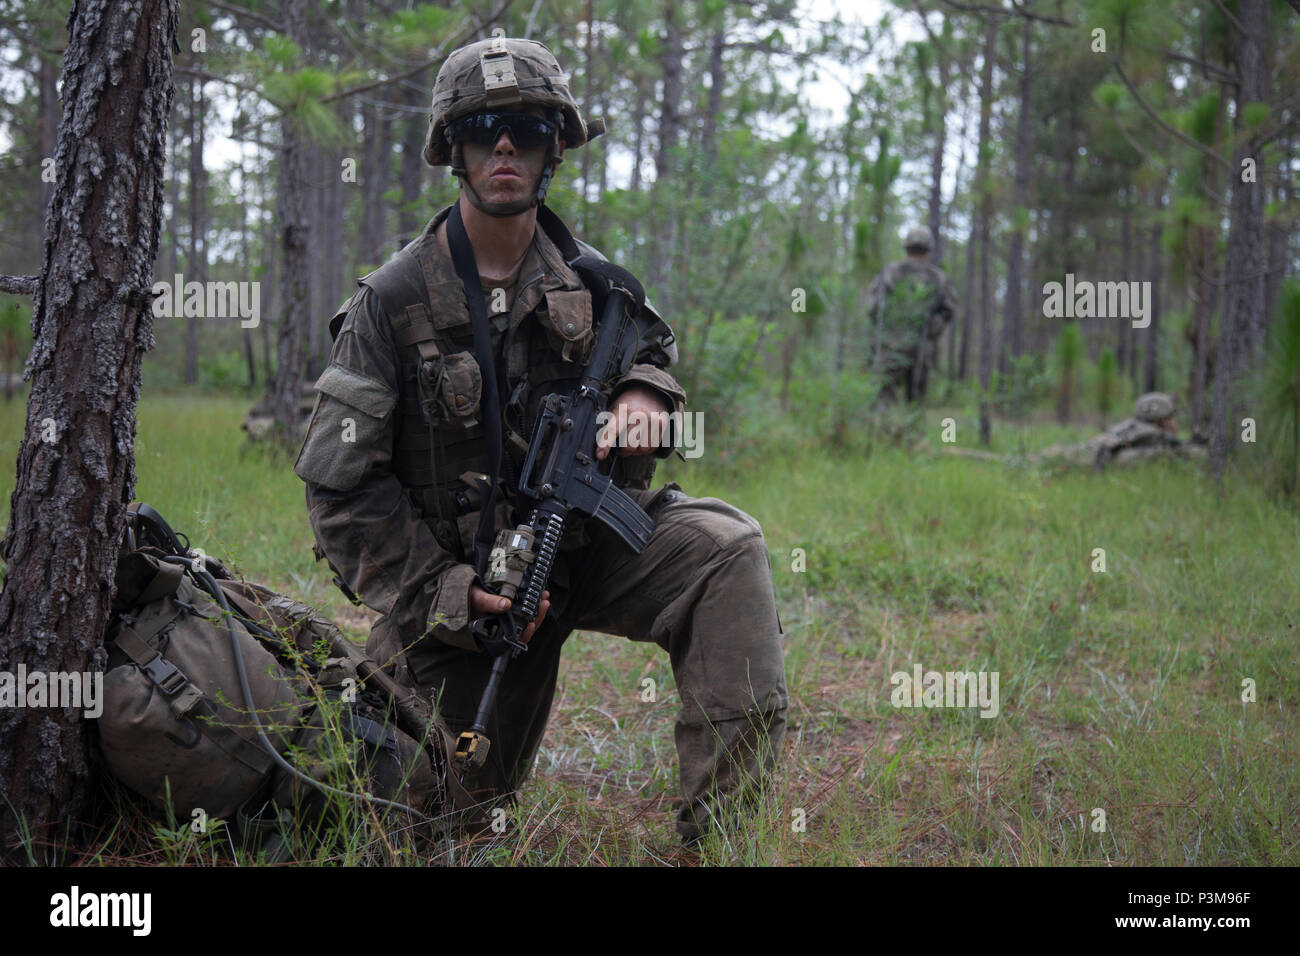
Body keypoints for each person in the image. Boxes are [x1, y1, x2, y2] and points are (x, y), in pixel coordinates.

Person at [292, 36, 787, 848]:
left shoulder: (596, 283)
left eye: (526, 127)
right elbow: (341, 494)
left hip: (589, 548)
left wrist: (642, 394)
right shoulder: (392, 303)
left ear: (557, 145)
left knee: (728, 549)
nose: (506, 147)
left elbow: (653, 356)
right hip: (467, 599)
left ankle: (719, 841)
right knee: (422, 826)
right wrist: (447, 595)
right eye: (484, 127)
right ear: (454, 147)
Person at [864, 225, 957, 403]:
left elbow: (873, 308)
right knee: (915, 401)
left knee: (885, 396)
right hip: (921, 347)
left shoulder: (891, 273)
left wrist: (882, 335)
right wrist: (931, 331)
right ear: (929, 248)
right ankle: (910, 430)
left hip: (891, 345)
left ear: (906, 246)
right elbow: (949, 310)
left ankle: (885, 428)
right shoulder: (937, 277)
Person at [1039, 392, 1205, 469]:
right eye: (1171, 418)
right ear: (1161, 420)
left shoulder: (1131, 426)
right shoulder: (1153, 435)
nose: (1175, 424)